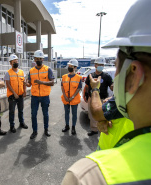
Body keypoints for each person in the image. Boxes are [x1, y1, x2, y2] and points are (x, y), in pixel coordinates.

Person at [62, 0, 151, 184]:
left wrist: (95, 91)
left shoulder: (88, 177)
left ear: (133, 77)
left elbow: (96, 110)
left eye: (117, 67)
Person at [24, 50, 55, 139]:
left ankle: (46, 129)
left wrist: (41, 82)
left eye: (40, 59)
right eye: (37, 58)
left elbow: (52, 82)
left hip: (45, 96)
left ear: (43, 59)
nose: (38, 60)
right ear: (34, 59)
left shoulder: (47, 69)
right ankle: (34, 131)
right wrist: (26, 84)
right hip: (35, 97)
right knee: (33, 114)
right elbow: (30, 83)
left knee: (45, 114)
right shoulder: (31, 71)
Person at [84, 57, 113, 136]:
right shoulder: (90, 76)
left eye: (102, 65)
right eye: (99, 64)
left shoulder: (107, 76)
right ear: (95, 65)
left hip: (102, 99)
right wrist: (85, 95)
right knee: (92, 115)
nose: (101, 66)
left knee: (103, 115)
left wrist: (114, 86)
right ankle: (94, 130)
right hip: (92, 98)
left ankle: (103, 130)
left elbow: (111, 86)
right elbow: (86, 86)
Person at [4, 54, 28, 133]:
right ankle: (12, 126)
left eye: (17, 61)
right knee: (12, 111)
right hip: (12, 96)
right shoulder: (8, 73)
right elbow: (8, 84)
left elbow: (24, 82)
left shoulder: (21, 72)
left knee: (21, 110)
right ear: (10, 63)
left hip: (20, 95)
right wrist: (14, 93)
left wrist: (25, 91)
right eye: (14, 62)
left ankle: (21, 123)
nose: (16, 63)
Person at [61, 59, 82, 135]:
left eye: (71, 66)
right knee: (66, 113)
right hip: (66, 98)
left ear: (75, 67)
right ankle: (67, 126)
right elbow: (62, 87)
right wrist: (65, 96)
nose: (69, 67)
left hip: (74, 99)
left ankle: (73, 127)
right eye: (69, 66)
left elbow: (79, 88)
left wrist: (73, 97)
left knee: (74, 114)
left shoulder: (78, 77)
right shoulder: (64, 77)